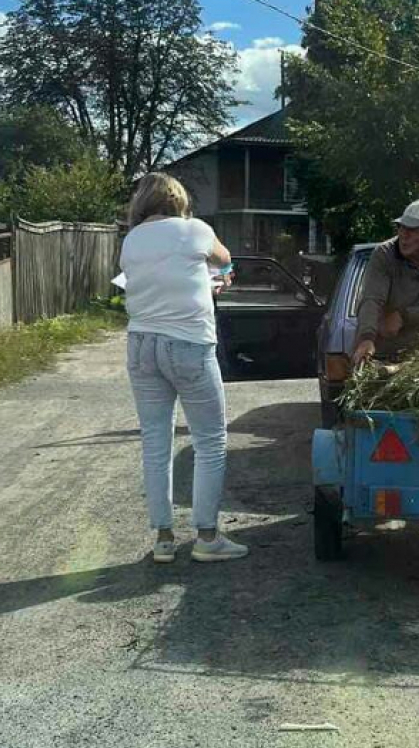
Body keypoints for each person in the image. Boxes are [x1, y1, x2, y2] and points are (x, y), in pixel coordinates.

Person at [121, 173, 247, 564]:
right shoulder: (195, 229)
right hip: (188, 344)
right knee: (210, 440)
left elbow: (153, 283)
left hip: (141, 344)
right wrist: (216, 280)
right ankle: (207, 537)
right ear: (177, 200)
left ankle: (163, 539)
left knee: (155, 442)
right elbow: (224, 259)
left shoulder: (131, 239)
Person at [352, 198, 419, 365]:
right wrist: (366, 338)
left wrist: (403, 316)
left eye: (413, 230)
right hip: (381, 354)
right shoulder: (384, 254)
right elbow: (372, 299)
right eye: (401, 228)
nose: (404, 236)